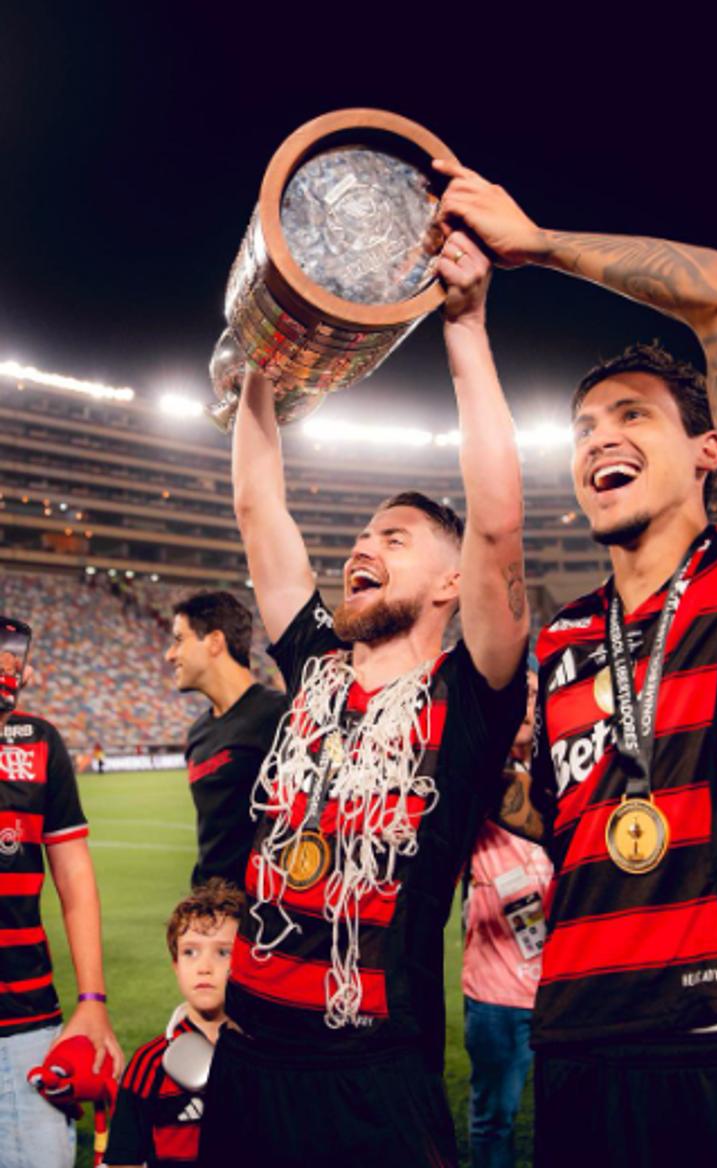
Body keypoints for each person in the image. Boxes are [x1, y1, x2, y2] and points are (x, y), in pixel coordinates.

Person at [437, 160, 717, 1167]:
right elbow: (560, 814)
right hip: (583, 1052)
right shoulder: (562, 639)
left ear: (710, 450)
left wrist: (538, 245)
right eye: (584, 427)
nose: (599, 439)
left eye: (632, 415)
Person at [198, 227, 528, 1168]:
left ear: (451, 582)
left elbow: (497, 525)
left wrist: (465, 328)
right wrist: (262, 357)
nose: (362, 546)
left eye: (394, 538)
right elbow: (259, 508)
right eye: (362, 535)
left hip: (374, 1075)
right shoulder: (316, 663)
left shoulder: (470, 698)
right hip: (248, 1059)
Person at [0, 616, 122, 1168]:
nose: (11, 666)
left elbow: (74, 878)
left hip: (27, 1021)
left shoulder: (39, 741)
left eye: (12, 655)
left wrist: (92, 1002)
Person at [462, 669, 552, 1168]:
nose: (525, 702)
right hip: (496, 990)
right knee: (494, 1118)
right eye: (515, 693)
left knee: (569, 1117)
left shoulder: (567, 770)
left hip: (562, 985)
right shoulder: (475, 773)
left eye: (534, 693)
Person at [105, 879, 243, 1168]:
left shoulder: (266, 1058)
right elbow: (123, 1158)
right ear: (176, 967)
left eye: (223, 952)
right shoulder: (148, 1063)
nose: (204, 967)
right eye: (190, 952)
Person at [166, 591, 287, 887]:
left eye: (179, 640)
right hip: (211, 904)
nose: (169, 655)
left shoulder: (281, 715)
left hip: (262, 906)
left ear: (215, 642)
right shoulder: (198, 733)